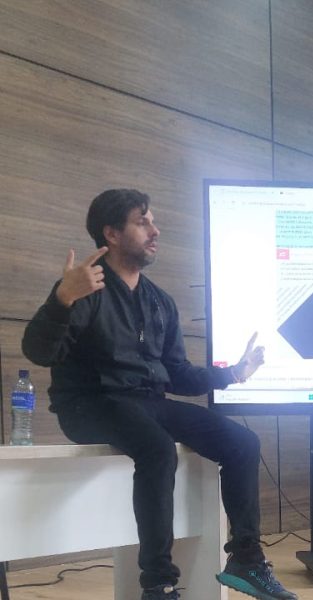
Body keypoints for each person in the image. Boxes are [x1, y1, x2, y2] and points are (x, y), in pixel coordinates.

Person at [22, 189, 298, 600]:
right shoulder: (83, 288)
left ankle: (246, 559)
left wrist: (233, 374)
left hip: (147, 403)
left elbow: (178, 375)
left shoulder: (159, 302)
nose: (155, 230)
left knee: (243, 442)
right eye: (143, 222)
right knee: (157, 448)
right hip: (88, 404)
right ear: (112, 233)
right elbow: (38, 351)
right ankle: (158, 584)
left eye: (153, 221)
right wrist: (62, 298)